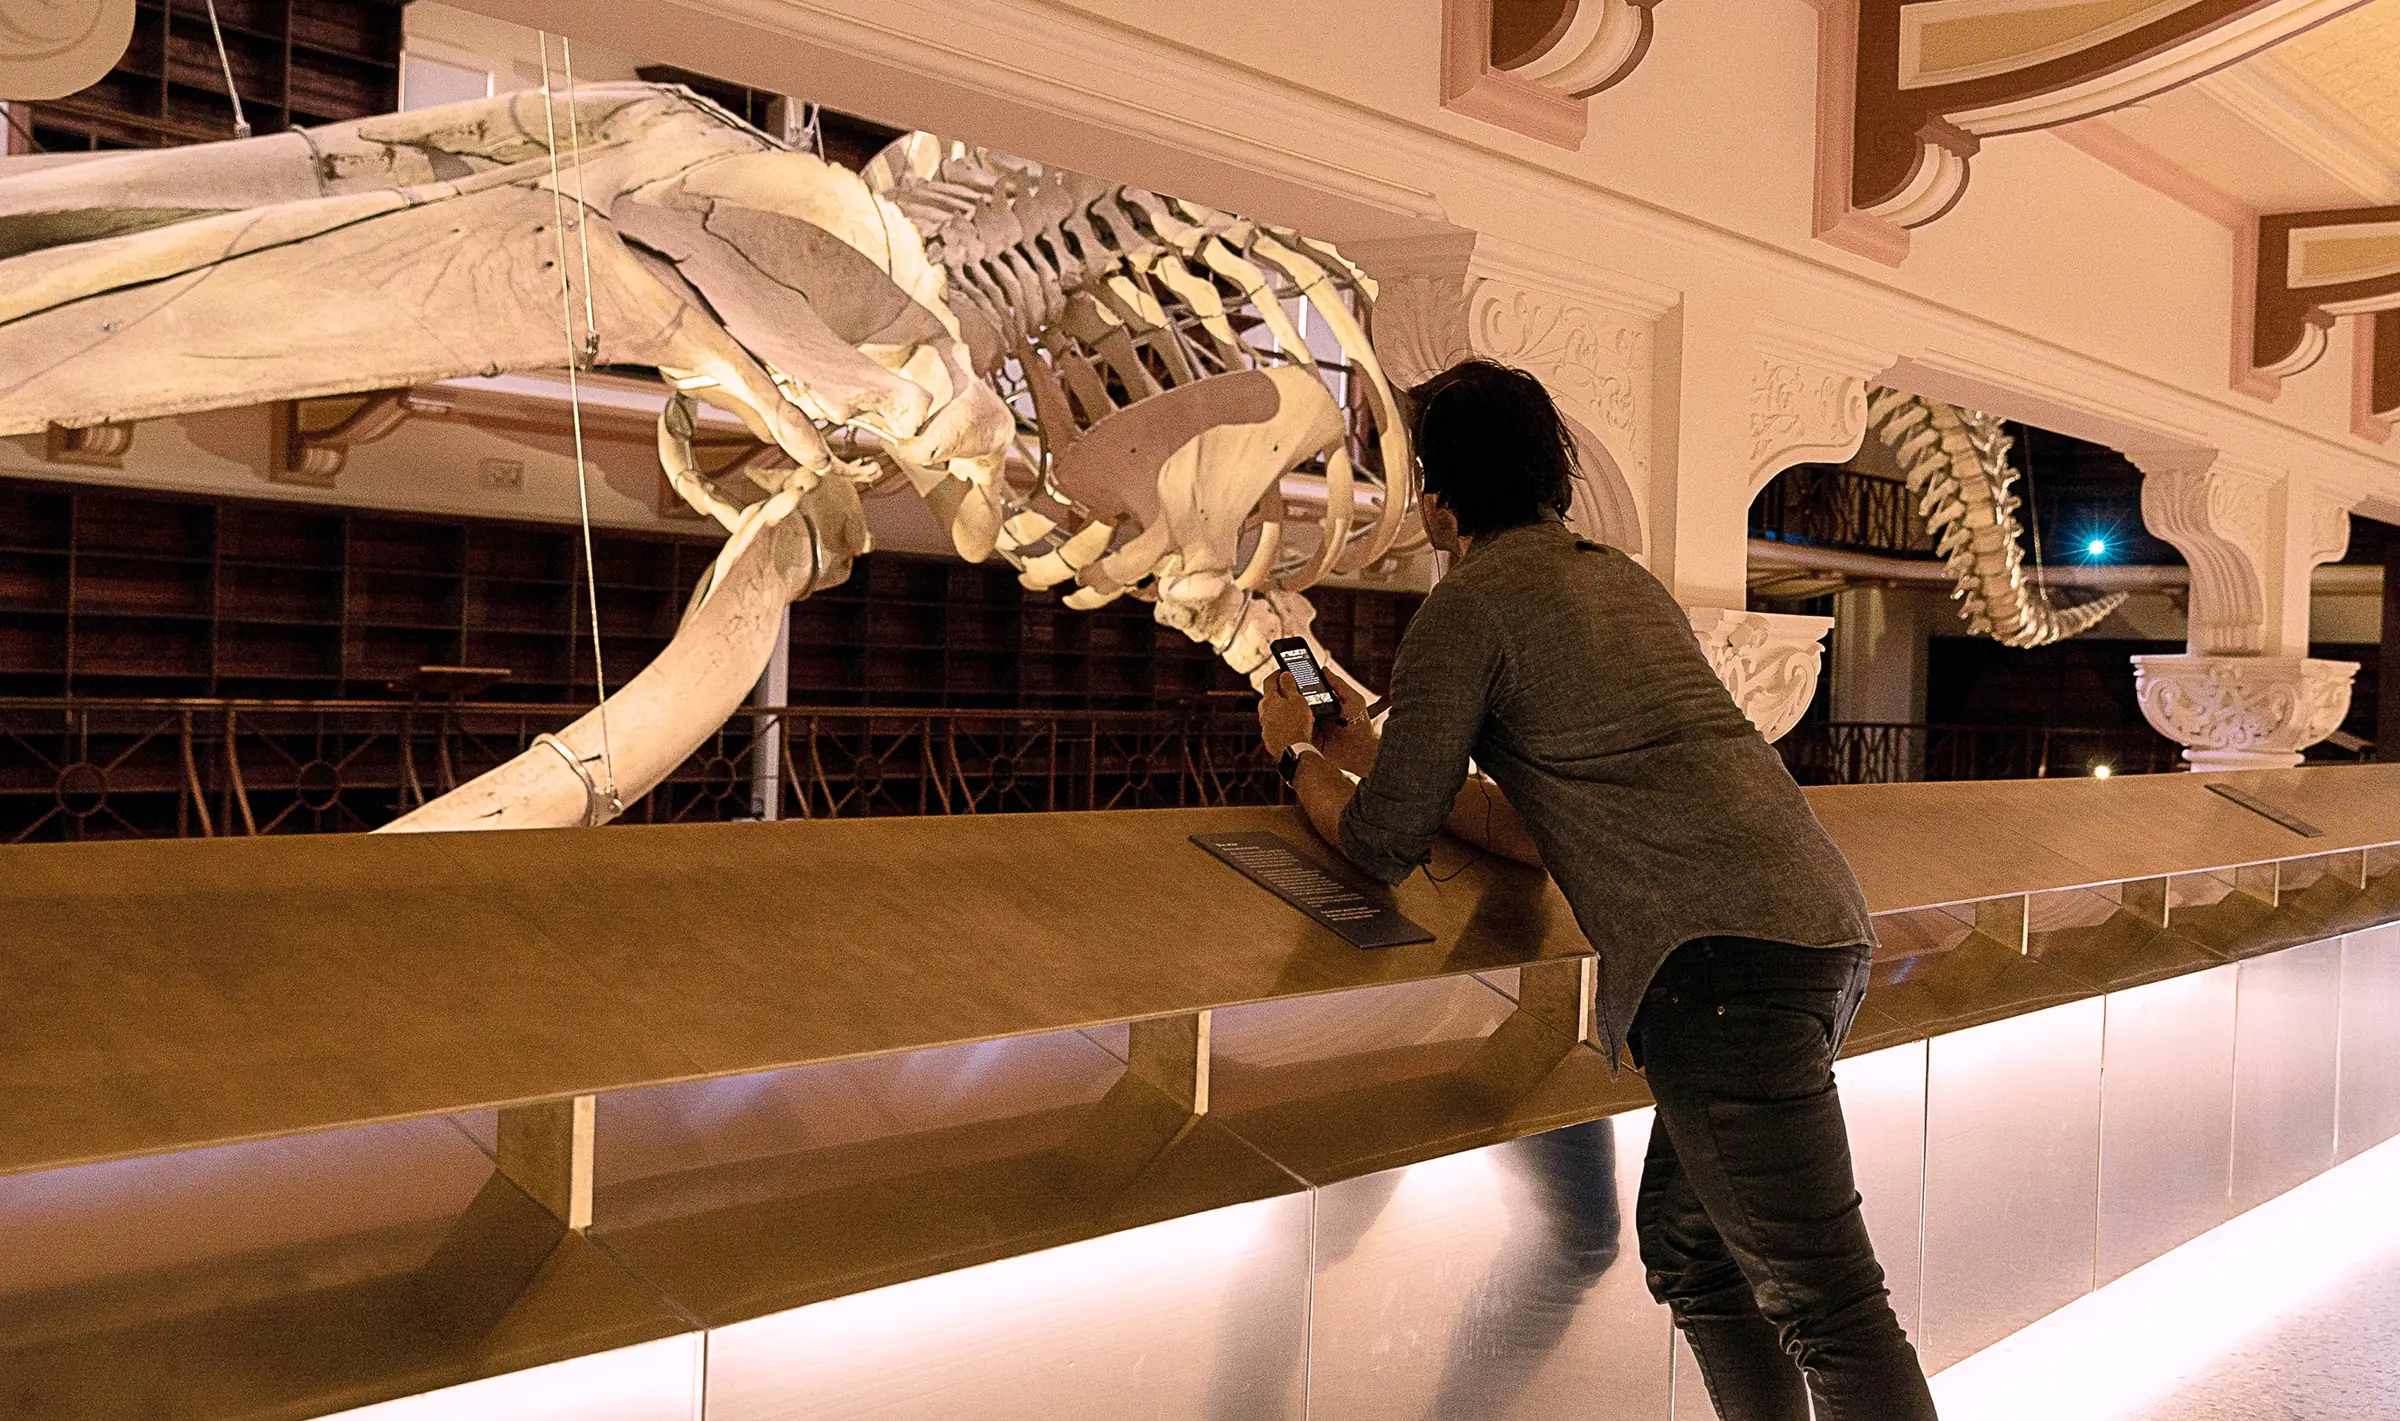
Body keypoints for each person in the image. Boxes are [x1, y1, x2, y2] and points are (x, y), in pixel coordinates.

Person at [1254, 359, 1938, 1421]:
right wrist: (1377, 743)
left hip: (1721, 970)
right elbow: (1541, 822)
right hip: (1810, 929)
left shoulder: (1467, 604)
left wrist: (1295, 759)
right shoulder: (1619, 580)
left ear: (1435, 501)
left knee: (1829, 1305)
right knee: (1692, 1253)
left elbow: (1384, 841)